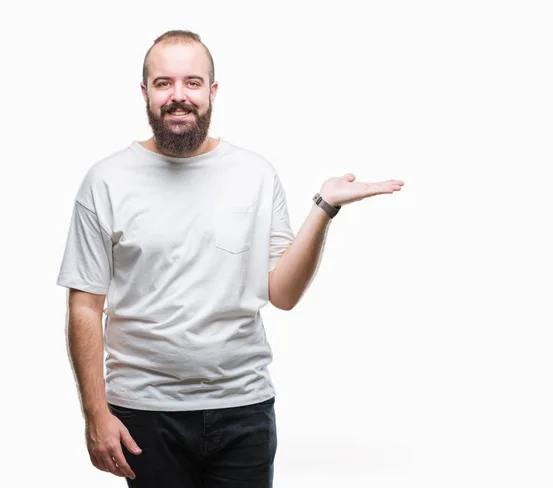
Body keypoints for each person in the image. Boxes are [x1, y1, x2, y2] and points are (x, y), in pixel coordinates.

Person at [56, 29, 404, 488]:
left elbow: (282, 293)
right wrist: (95, 414)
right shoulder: (106, 180)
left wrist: (324, 208)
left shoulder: (254, 173)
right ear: (144, 92)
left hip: (243, 409)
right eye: (164, 83)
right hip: (145, 412)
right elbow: (84, 305)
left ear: (212, 91)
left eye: (192, 83)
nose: (178, 96)